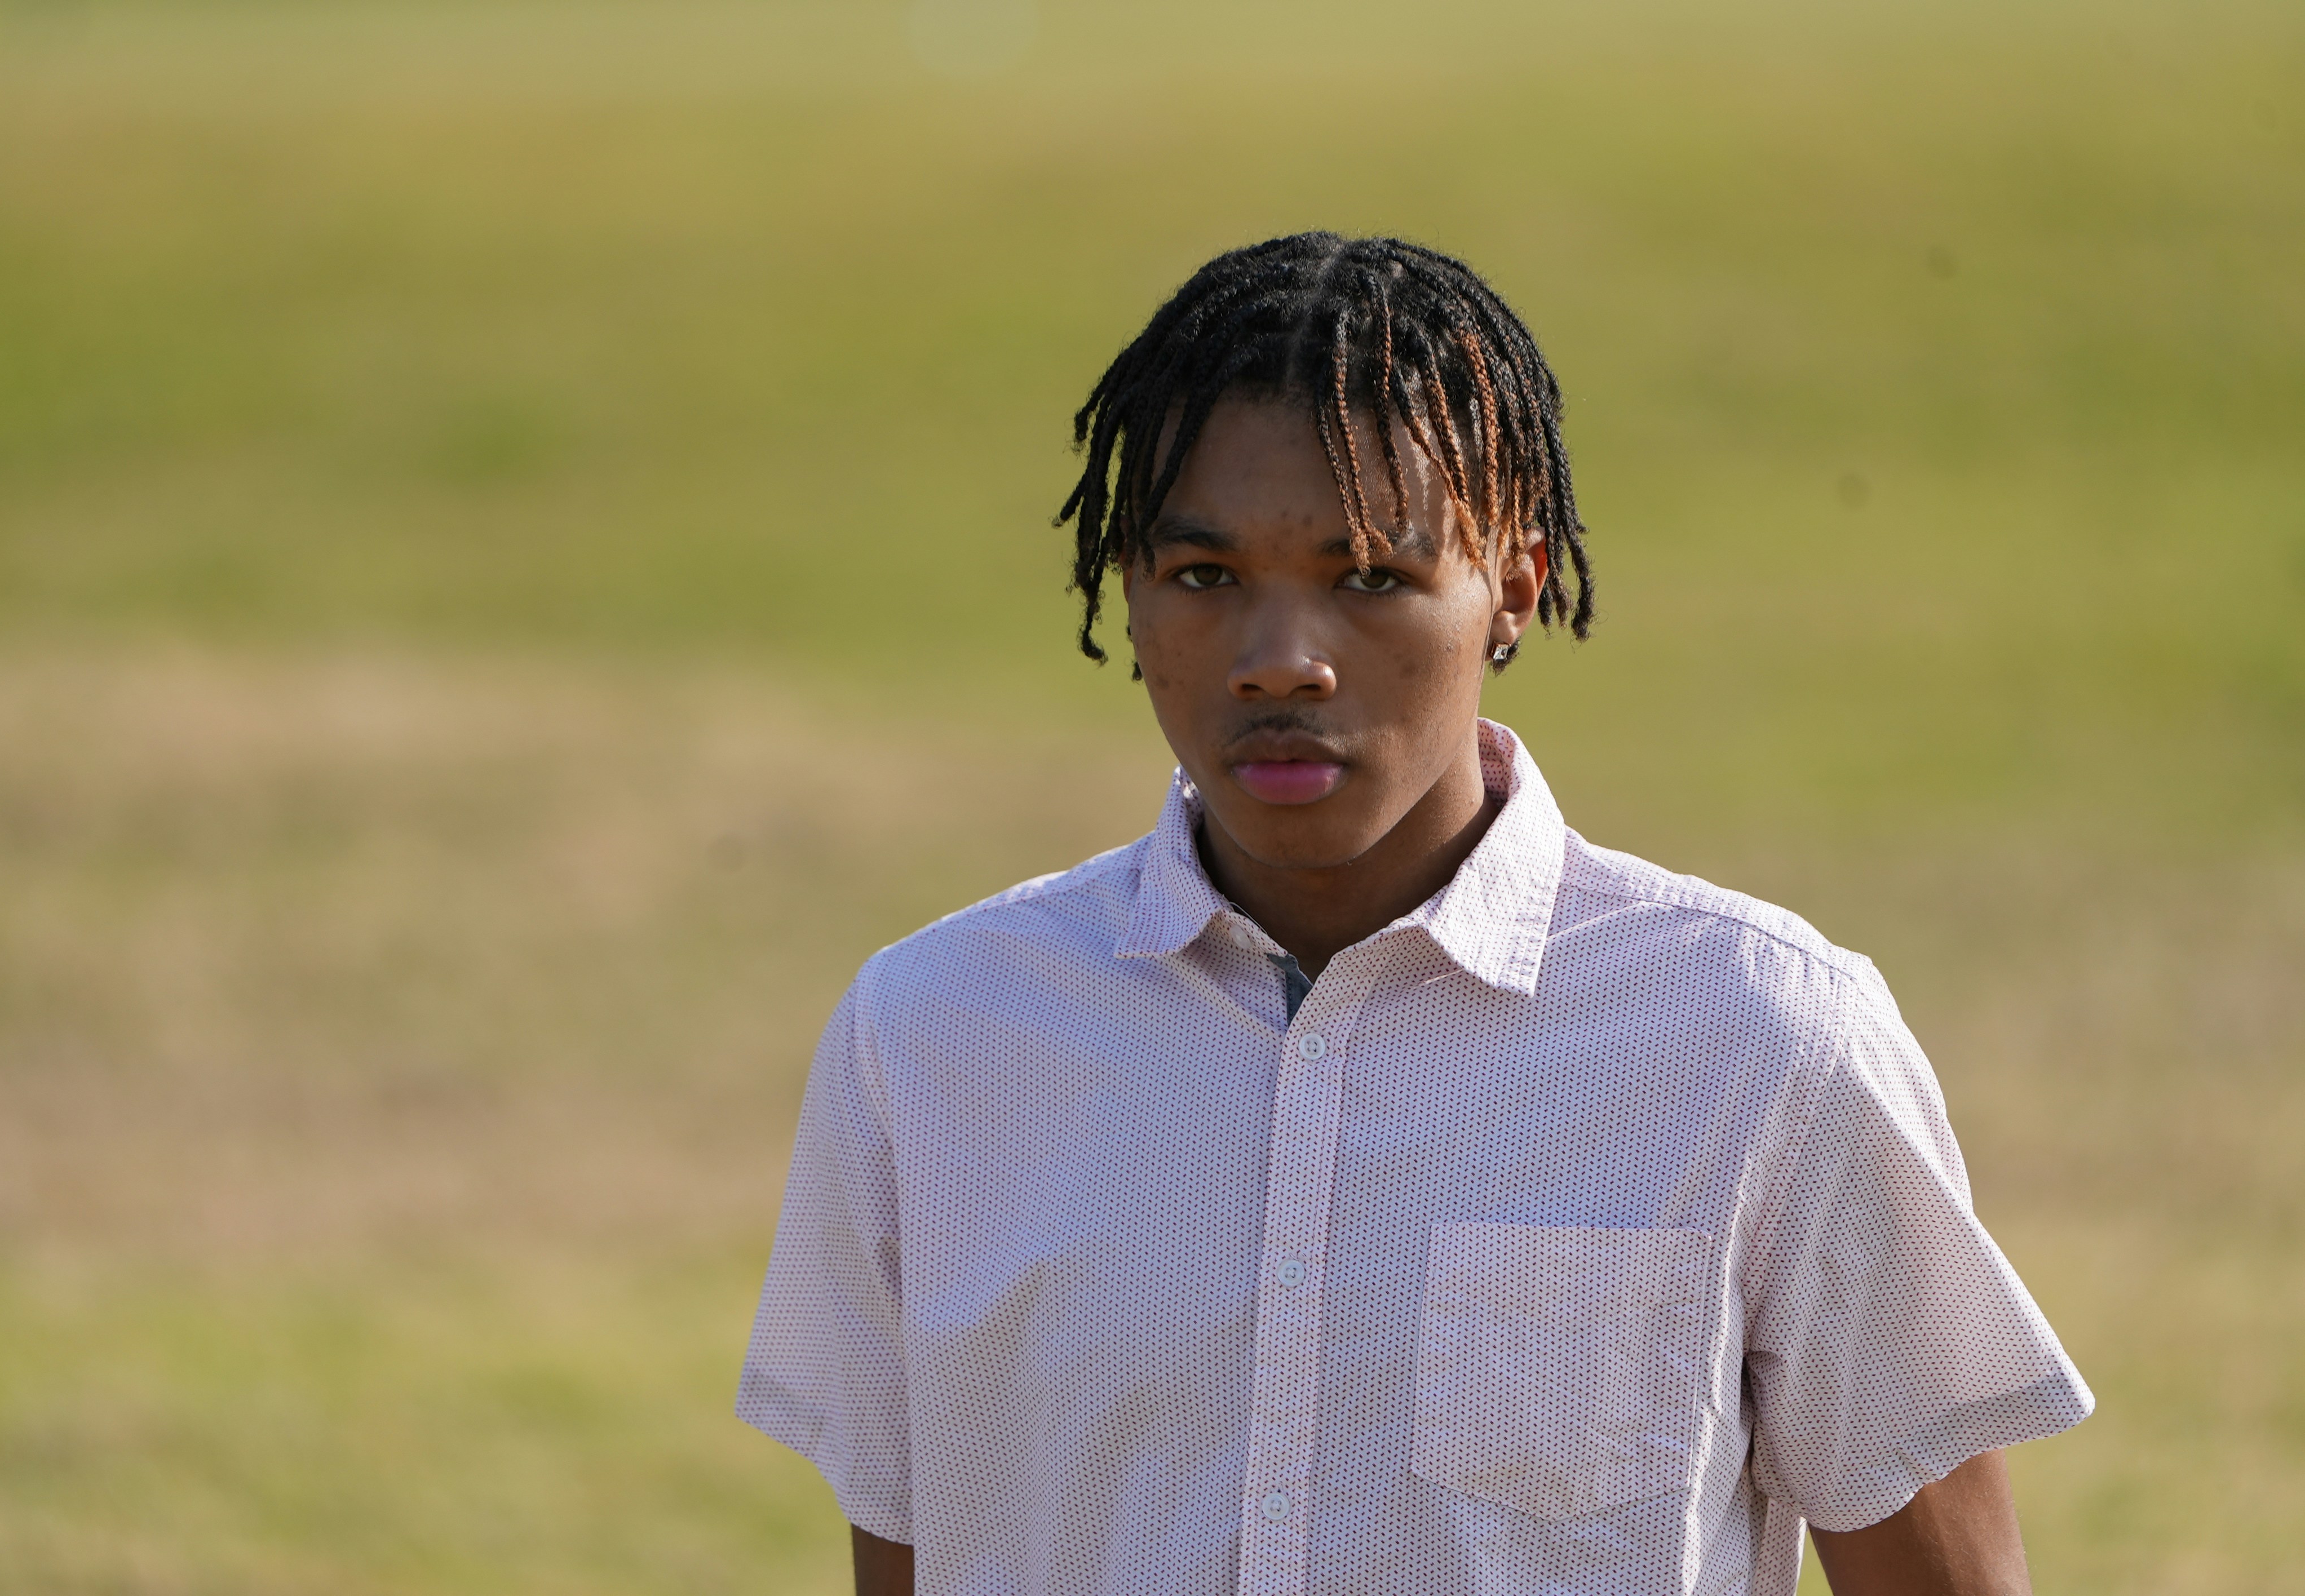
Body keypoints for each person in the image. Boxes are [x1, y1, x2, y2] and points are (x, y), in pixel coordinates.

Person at [736, 232, 2090, 1596]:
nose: (1280, 663)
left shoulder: (1760, 1040)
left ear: (1513, 585)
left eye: (1371, 576)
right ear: (1129, 598)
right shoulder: (932, 1037)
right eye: (1203, 576)